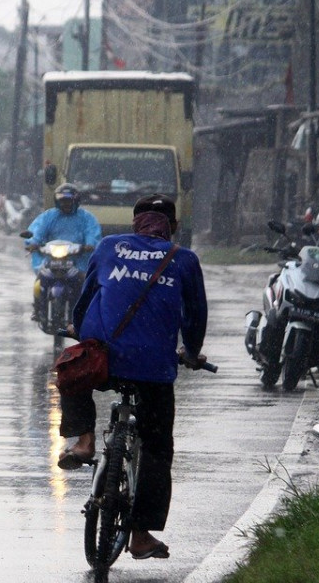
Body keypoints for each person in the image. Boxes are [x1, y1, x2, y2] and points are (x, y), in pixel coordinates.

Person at [57, 194, 208, 561]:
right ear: (171, 227)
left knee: (73, 367)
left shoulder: (110, 247)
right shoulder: (184, 259)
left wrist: (79, 328)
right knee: (157, 449)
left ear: (135, 223)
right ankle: (140, 535)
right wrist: (190, 351)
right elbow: (195, 315)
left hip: (106, 359)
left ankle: (85, 440)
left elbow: (87, 294)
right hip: (154, 368)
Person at [24, 184, 102, 320]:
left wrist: (90, 245)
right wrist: (33, 244)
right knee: (40, 280)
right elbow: (37, 231)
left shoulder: (86, 218)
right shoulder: (48, 216)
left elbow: (93, 234)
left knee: (85, 284)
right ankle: (37, 308)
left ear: (76, 201)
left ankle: (83, 310)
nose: (65, 204)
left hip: (78, 261)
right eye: (62, 200)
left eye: (68, 200)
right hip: (51, 258)